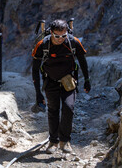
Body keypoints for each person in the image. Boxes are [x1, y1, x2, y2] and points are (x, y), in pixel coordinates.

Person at [31, 19, 91, 154]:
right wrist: (38, 93)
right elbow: (35, 69)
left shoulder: (73, 42)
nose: (60, 39)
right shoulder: (42, 45)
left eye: (63, 36)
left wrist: (87, 80)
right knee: (53, 110)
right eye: (57, 36)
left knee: (69, 108)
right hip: (50, 81)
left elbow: (82, 60)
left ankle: (65, 141)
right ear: (51, 32)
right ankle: (53, 141)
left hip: (68, 81)